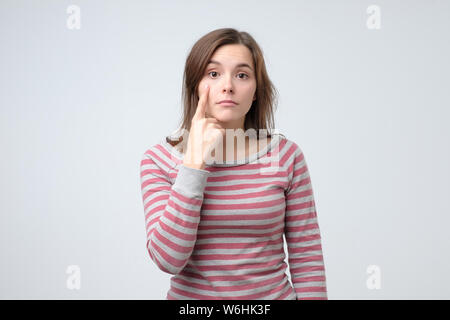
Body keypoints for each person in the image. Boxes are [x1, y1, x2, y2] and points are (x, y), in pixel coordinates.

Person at [139, 28, 328, 300]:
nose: (228, 85)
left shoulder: (287, 156)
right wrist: (193, 163)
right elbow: (168, 259)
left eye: (242, 75)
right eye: (213, 74)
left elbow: (306, 254)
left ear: (255, 92)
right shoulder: (158, 160)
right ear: (195, 85)